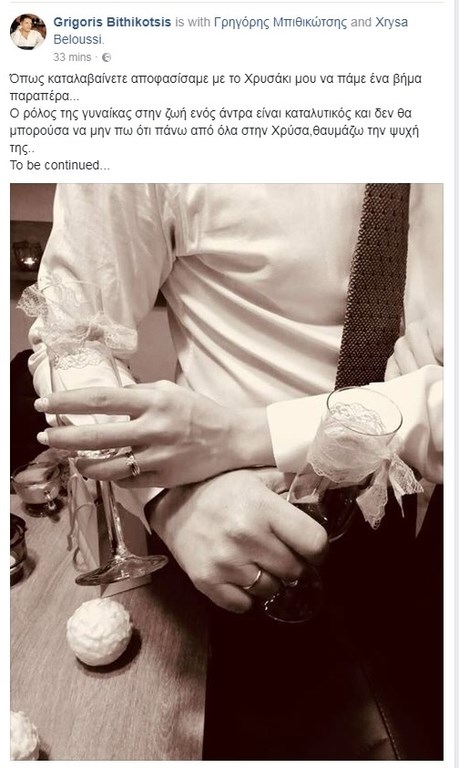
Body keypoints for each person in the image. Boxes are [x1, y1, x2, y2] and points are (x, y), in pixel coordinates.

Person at [26, 184, 443, 758]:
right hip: (248, 537)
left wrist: (431, 393)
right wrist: (168, 498)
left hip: (430, 528)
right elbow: (68, 338)